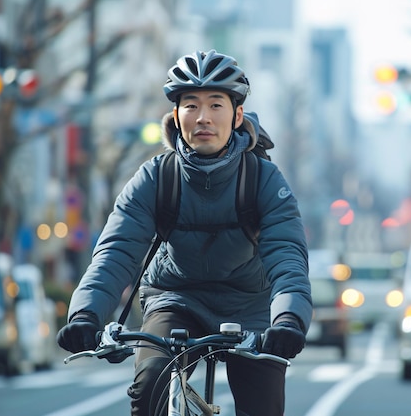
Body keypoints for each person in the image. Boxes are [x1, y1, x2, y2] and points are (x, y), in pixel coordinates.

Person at [57, 50, 312, 416]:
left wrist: (288, 320)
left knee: (264, 407)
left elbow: (287, 255)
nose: (203, 118)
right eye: (190, 105)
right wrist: (85, 314)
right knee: (150, 390)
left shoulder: (263, 180)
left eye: (216, 105)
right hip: (175, 299)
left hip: (250, 304)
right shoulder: (155, 178)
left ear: (237, 115)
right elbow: (116, 251)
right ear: (176, 116)